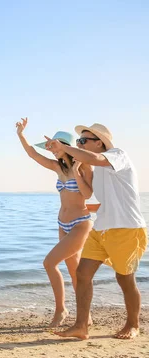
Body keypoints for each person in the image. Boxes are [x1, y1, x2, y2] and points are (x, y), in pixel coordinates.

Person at [51, 123, 147, 340]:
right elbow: (103, 199)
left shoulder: (117, 155)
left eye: (83, 141)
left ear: (99, 142)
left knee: (124, 278)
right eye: (78, 142)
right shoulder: (95, 169)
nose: (80, 145)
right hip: (101, 227)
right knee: (82, 274)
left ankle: (133, 325)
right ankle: (81, 326)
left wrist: (65, 148)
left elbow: (95, 159)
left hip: (126, 228)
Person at [15, 118, 94, 327]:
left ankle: (61, 309)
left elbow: (87, 194)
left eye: (56, 146)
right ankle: (85, 315)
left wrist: (76, 172)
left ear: (67, 147)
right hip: (62, 224)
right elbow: (33, 154)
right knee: (74, 270)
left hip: (80, 224)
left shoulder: (84, 166)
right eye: (51, 147)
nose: (53, 151)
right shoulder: (57, 167)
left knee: (49, 263)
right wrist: (21, 134)